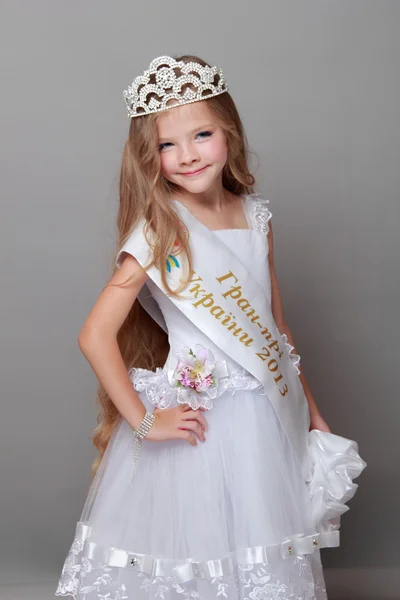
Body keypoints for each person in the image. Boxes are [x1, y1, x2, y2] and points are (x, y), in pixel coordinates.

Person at [55, 55, 366, 600]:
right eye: (166, 145)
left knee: (259, 547)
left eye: (202, 134)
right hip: (200, 423)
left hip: (261, 418)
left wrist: (310, 410)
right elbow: (94, 335)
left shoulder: (257, 217)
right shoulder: (158, 229)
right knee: (193, 556)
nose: (188, 155)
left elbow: (277, 327)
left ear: (231, 134)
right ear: (148, 158)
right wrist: (145, 420)